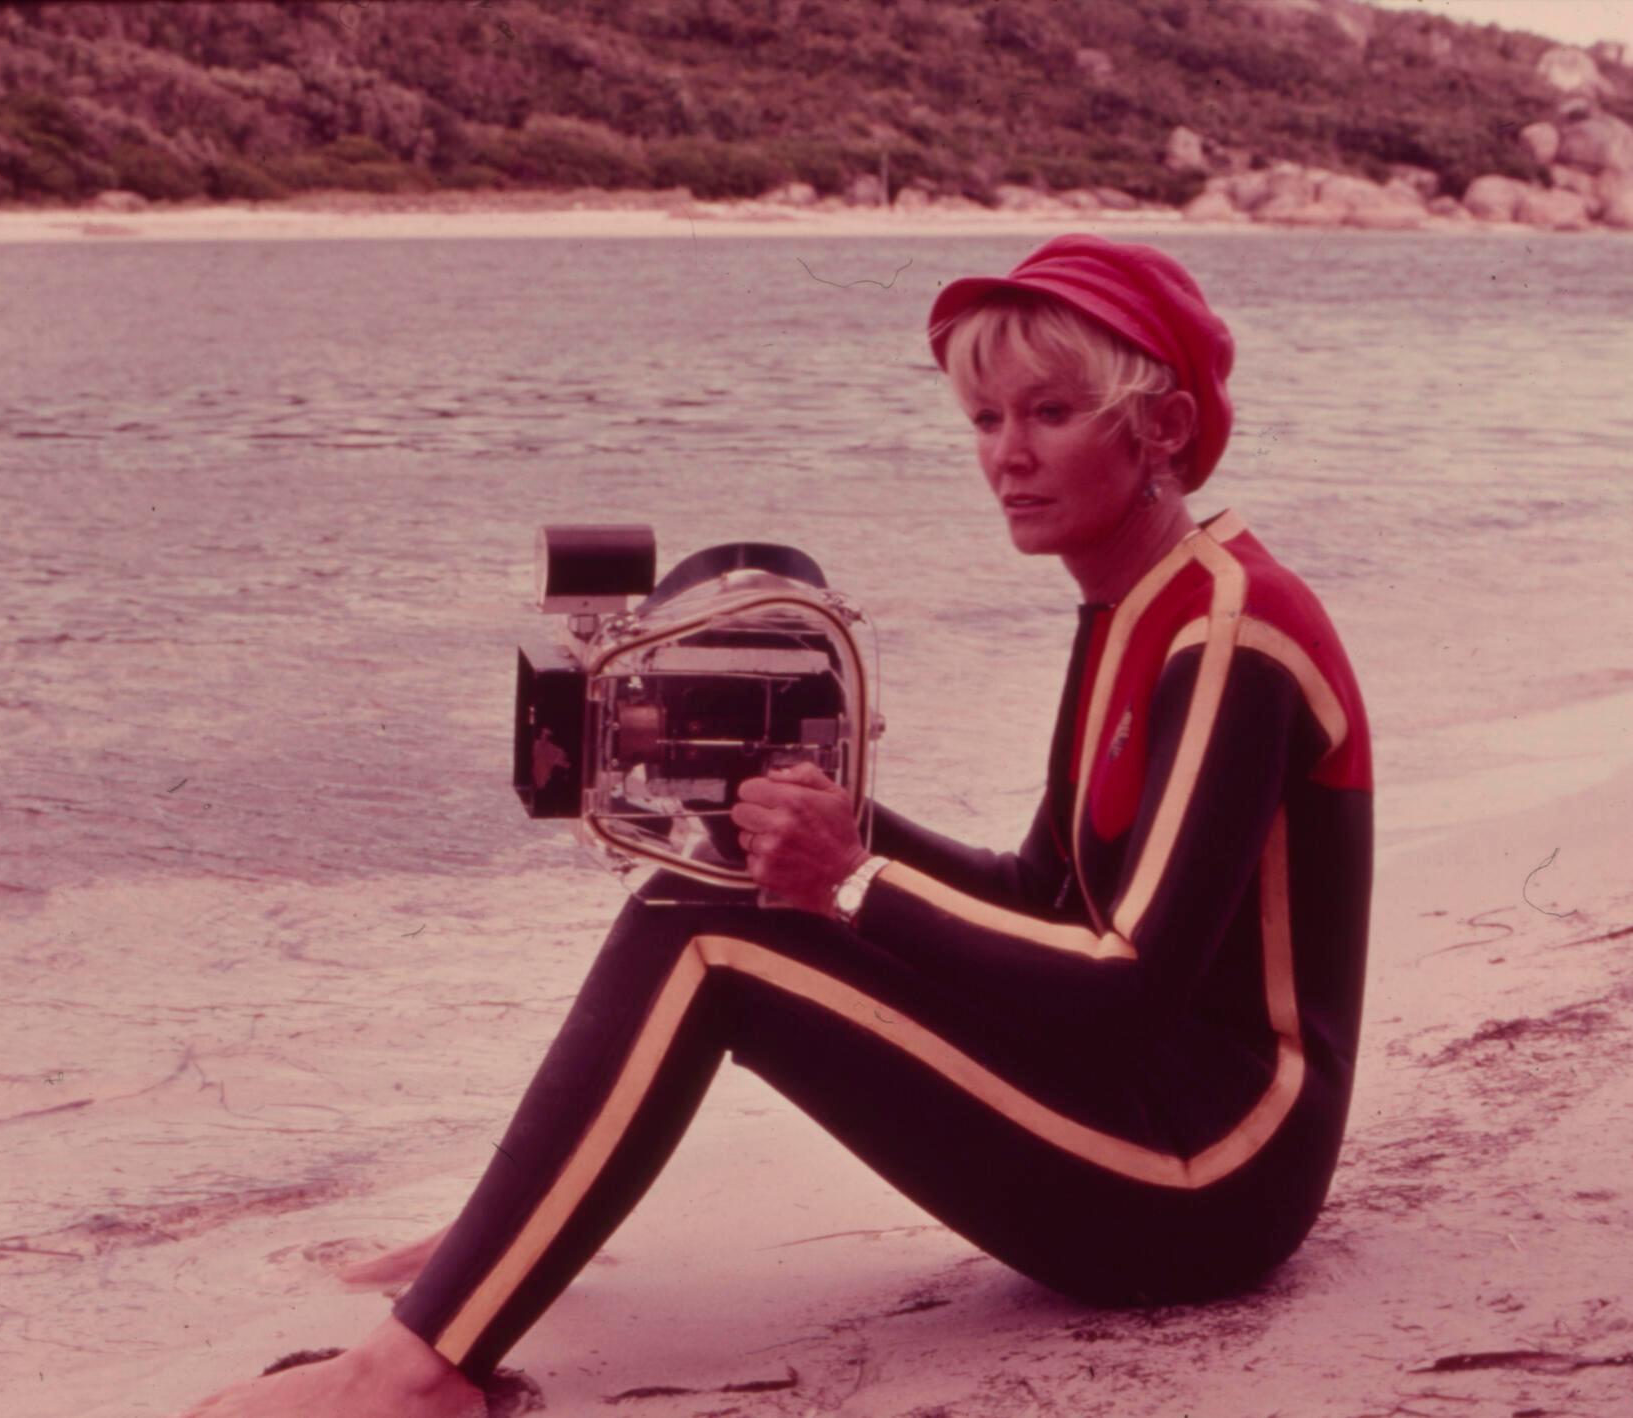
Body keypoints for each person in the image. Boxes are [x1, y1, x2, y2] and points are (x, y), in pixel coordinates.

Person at [178, 234, 1373, 1418]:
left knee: (712, 945)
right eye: (982, 420)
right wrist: (832, 824)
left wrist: (847, 878)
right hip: (1138, 1115)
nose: (1004, 457)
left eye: (1047, 413)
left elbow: (1123, 979)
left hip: (1204, 1181)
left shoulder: (1227, 627)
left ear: (1158, 429)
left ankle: (414, 1373)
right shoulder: (1135, 602)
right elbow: (1043, 894)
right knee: (701, 889)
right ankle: (517, 1221)